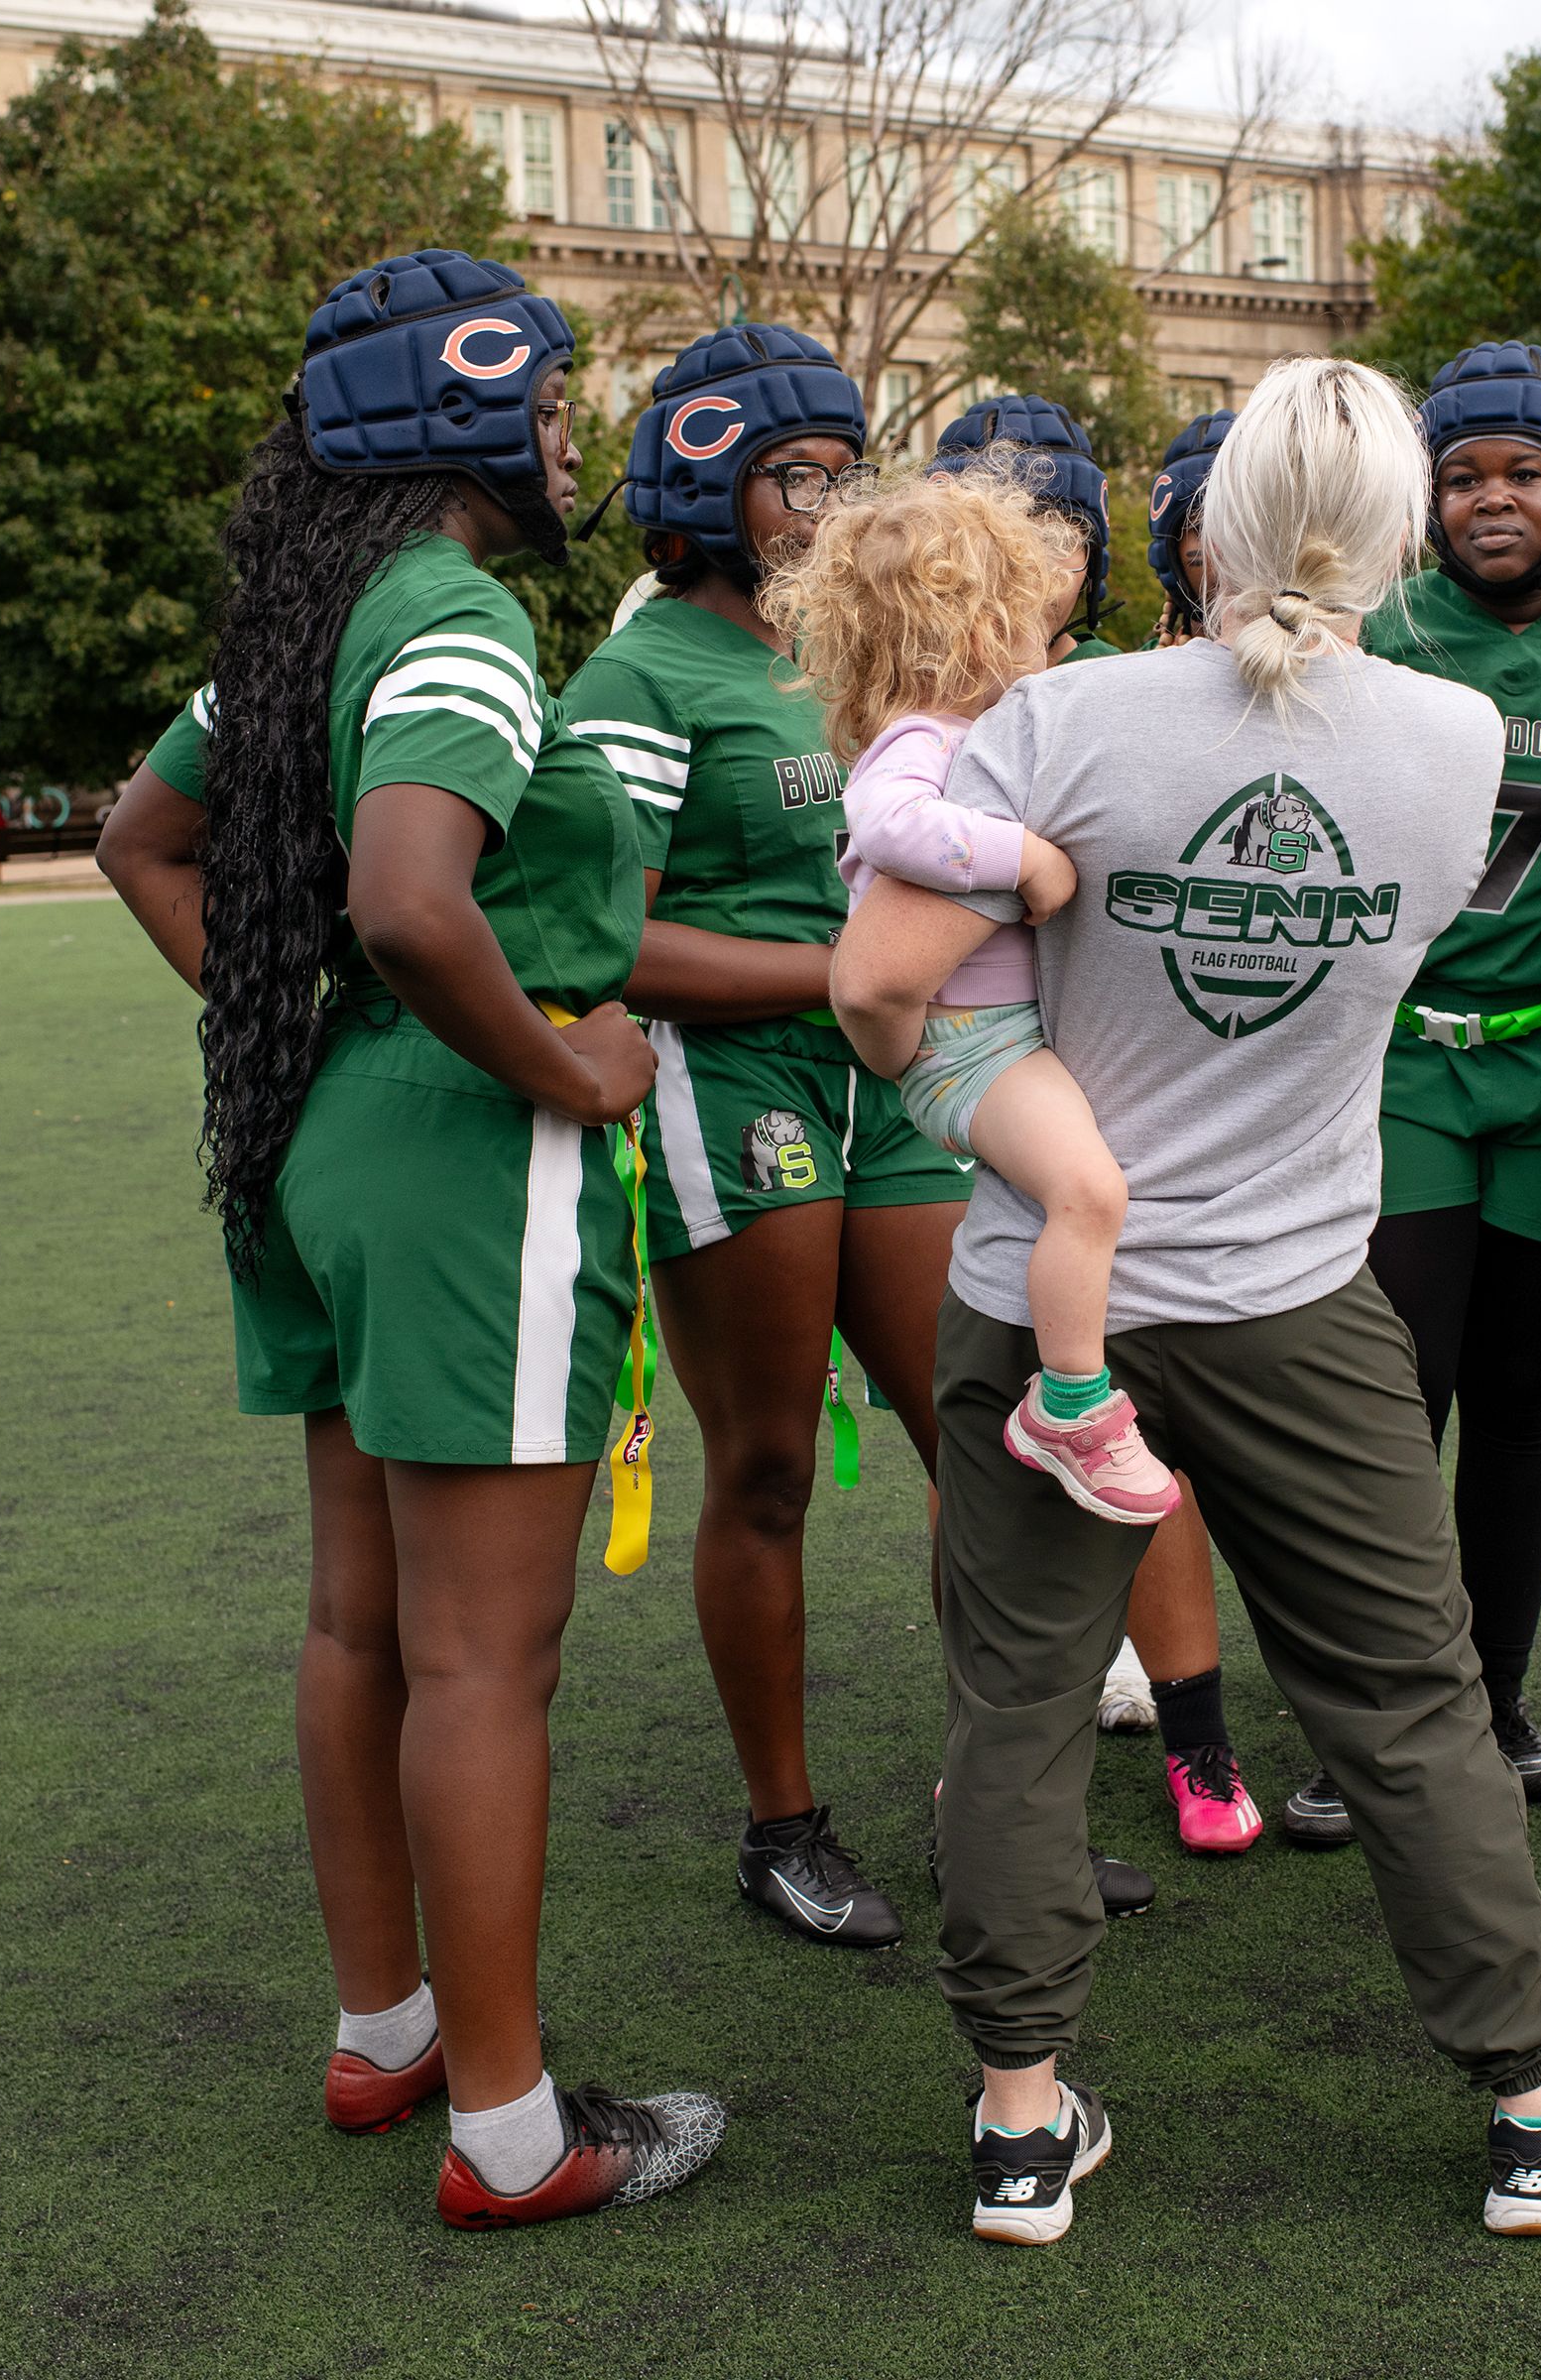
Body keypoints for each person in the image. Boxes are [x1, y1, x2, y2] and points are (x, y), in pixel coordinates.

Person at [833, 355, 1541, 2246]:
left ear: (1198, 531)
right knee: (1408, 1709)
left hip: (1044, 1292)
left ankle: (1022, 2121)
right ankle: (1536, 2099)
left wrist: (978, 1093)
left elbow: (875, 981)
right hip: (1294, 1291)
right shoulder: (1456, 741)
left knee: (1016, 1706)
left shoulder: (1064, 718)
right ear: (1406, 536)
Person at [93, 249, 724, 2225]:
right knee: (481, 1662)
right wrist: (567, 1072)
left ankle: (389, 2033)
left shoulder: (308, 615)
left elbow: (141, 837)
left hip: (324, 1143)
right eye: (537, 397)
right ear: (449, 411)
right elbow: (410, 905)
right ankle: (515, 2129)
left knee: (360, 1625)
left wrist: (323, 1049)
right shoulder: (453, 610)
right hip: (466, 1164)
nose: (563, 431)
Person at [554, 324, 977, 1951]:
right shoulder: (643, 675)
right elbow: (603, 944)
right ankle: (782, 1826)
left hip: (898, 1077)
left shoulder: (855, 655)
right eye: (792, 478)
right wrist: (837, 971)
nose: (823, 506)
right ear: (700, 489)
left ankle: (988, 1805)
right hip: (739, 1090)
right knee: (774, 1463)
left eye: (840, 473)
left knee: (982, 1430)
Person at [1271, 344, 1541, 1847]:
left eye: (1525, 472)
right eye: (1464, 474)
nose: (1495, 500)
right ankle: (1366, 1725)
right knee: (1390, 1399)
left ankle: (1493, 1704)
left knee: (1519, 1398)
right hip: (1408, 1063)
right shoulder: (1371, 632)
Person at [937, 394, 1265, 1854]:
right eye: (1000, 518)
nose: (1030, 548)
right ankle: (1005, 1779)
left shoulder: (1124, 688)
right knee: (1000, 1462)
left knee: (1140, 1446)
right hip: (993, 1104)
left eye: (1057, 519)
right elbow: (892, 930)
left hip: (1125, 1110)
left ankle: (1197, 1742)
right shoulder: (936, 696)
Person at [764, 462, 1177, 1524]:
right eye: (1024, 621)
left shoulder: (982, 737)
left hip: (993, 1035)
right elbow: (885, 825)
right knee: (1092, 1193)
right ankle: (1073, 1407)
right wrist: (1022, 856)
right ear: (968, 633)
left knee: (1087, 1192)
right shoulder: (923, 740)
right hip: (969, 1044)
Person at [934, 395, 1126, 663]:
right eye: (995, 539)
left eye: (1059, 541)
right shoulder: (899, 683)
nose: (1031, 570)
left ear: (1092, 560)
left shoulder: (1110, 683)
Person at [1145, 408, 1235, 646]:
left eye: (1243, 528)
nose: (1224, 549)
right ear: (1170, 551)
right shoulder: (1131, 674)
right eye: (1202, 527)